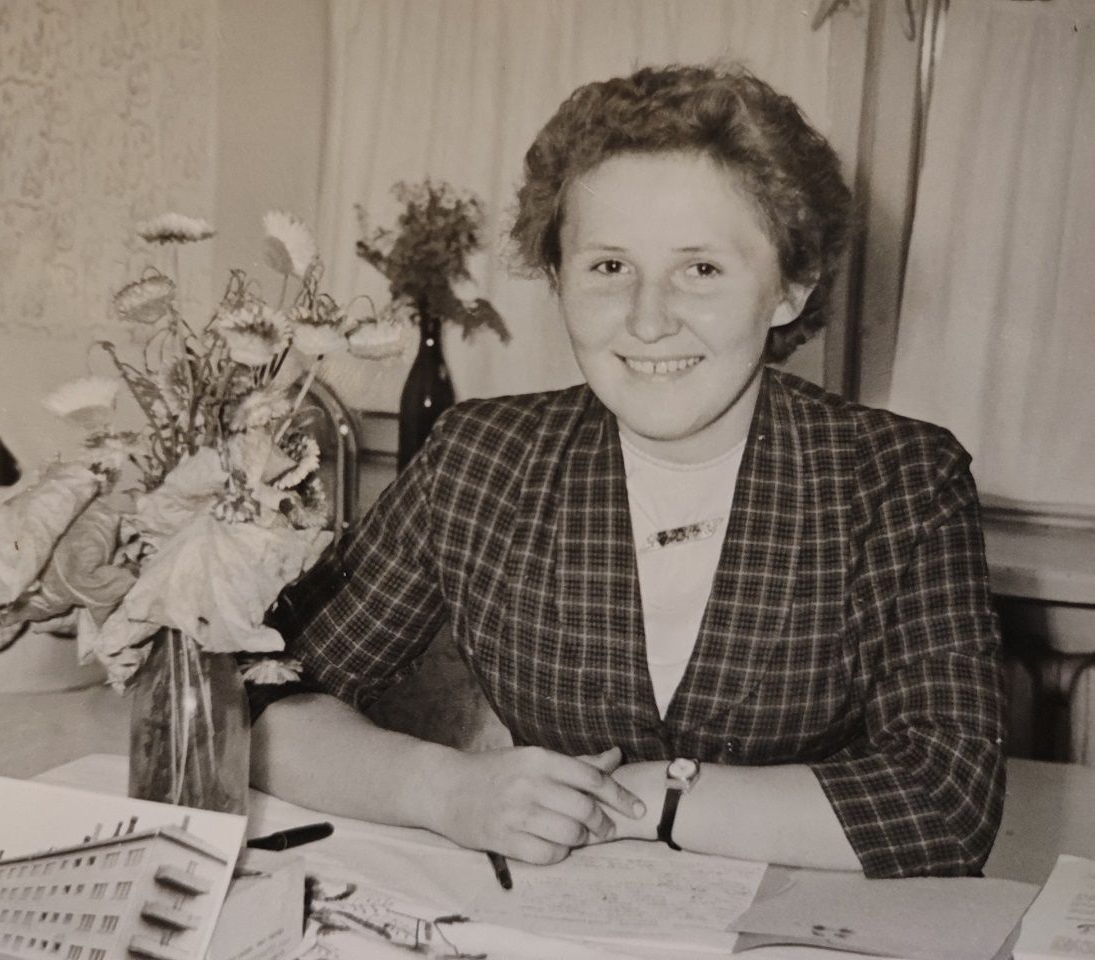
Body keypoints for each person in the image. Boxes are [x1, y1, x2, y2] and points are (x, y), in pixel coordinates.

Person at [250, 63, 1005, 880]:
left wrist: (651, 800)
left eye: (701, 269)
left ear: (791, 287)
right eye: (609, 267)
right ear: (558, 278)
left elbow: (946, 800)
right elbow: (263, 699)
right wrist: (447, 789)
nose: (648, 321)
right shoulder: (480, 460)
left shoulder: (900, 479)